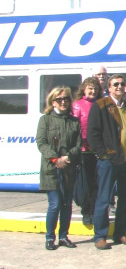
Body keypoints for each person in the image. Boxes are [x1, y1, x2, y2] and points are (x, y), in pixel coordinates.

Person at [87, 74, 126, 250]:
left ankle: (120, 233)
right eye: (115, 84)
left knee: (125, 199)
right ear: (108, 88)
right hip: (109, 161)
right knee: (104, 199)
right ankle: (100, 235)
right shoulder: (100, 106)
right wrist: (104, 155)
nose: (119, 87)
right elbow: (93, 134)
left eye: (121, 84)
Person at [37, 86, 81, 250]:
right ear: (52, 101)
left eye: (66, 99)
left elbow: (78, 144)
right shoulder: (45, 120)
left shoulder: (73, 121)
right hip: (51, 169)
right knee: (55, 204)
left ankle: (64, 236)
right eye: (59, 99)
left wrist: (68, 156)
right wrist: (55, 159)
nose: (63, 102)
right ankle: (50, 237)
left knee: (66, 205)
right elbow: (41, 142)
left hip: (68, 168)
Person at [71, 77, 102, 225]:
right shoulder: (77, 106)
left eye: (95, 89)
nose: (93, 91)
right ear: (84, 89)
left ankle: (96, 211)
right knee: (85, 185)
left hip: (98, 151)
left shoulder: (101, 104)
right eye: (90, 88)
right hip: (84, 151)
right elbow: (74, 129)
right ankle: (86, 212)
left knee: (97, 184)